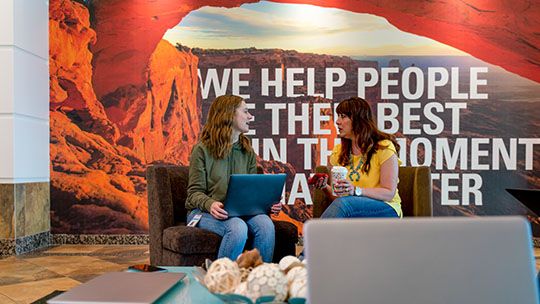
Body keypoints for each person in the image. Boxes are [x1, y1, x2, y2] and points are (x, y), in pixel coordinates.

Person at [185, 95, 282, 263]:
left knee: (265, 224)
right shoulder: (201, 150)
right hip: (204, 213)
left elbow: (252, 190)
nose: (250, 116)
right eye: (245, 111)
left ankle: (258, 281)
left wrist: (267, 204)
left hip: (239, 212)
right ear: (229, 115)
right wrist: (211, 204)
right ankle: (220, 278)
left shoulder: (247, 150)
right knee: (237, 227)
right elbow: (194, 193)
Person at [312, 97, 402, 219]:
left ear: (359, 120)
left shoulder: (384, 147)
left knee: (345, 204)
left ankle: (314, 236)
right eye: (338, 116)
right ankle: (317, 236)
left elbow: (388, 193)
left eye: (343, 116)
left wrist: (356, 190)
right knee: (343, 204)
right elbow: (339, 199)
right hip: (352, 208)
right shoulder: (339, 152)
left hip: (386, 208)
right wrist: (324, 187)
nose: (337, 121)